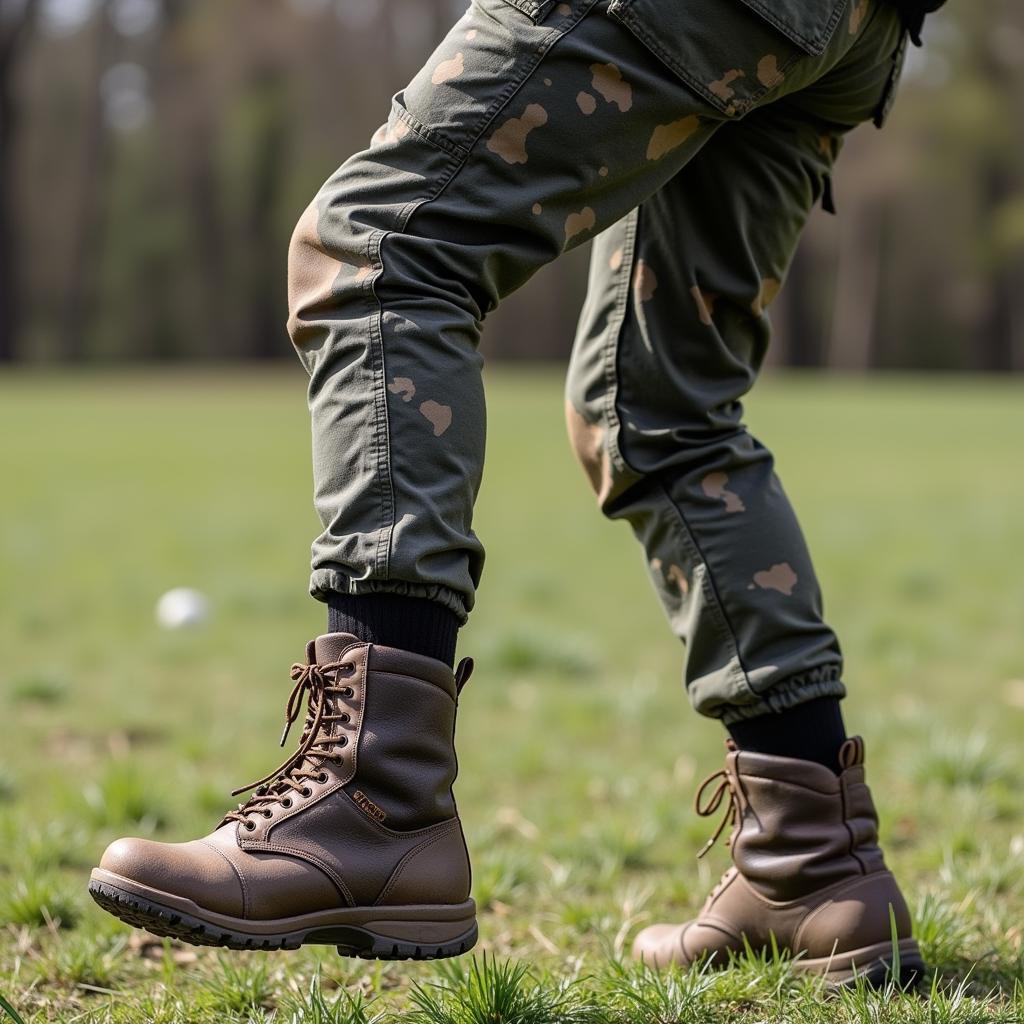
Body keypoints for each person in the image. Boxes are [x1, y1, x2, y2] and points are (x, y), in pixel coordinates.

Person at [89, 0, 944, 984]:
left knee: (379, 249)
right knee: (659, 407)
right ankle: (813, 862)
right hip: (854, 28)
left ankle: (373, 795)